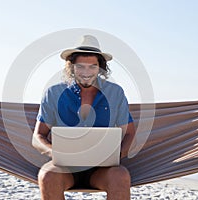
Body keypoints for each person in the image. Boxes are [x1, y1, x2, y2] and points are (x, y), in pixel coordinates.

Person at [32, 35, 136, 200]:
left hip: (102, 170)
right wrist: (55, 152)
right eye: (80, 67)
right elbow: (37, 137)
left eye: (92, 67)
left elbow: (129, 133)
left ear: (100, 68)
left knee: (120, 176)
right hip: (65, 169)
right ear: (71, 67)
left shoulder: (115, 93)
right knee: (47, 175)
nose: (86, 73)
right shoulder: (53, 93)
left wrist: (118, 155)